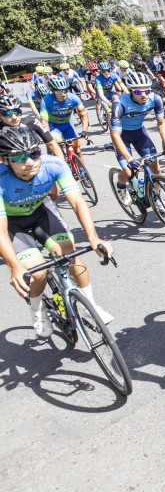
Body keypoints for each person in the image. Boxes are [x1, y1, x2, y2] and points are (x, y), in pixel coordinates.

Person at [0, 126, 115, 335]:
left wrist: (93, 237)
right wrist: (15, 266)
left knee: (71, 256)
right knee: (37, 272)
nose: (29, 162)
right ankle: (37, 311)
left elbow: (78, 202)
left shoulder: (53, 164)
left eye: (34, 154)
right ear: (5, 160)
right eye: (20, 157)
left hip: (40, 212)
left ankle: (91, 306)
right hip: (12, 224)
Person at [110, 72, 165, 209]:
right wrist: (129, 159)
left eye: (147, 90)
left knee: (155, 166)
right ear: (130, 90)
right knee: (128, 171)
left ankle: (156, 195)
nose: (144, 94)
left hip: (139, 133)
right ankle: (121, 187)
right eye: (139, 91)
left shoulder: (155, 99)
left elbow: (161, 124)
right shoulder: (120, 103)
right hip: (122, 136)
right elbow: (115, 135)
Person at [0, 95, 63, 160]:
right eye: (8, 113)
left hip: (33, 159)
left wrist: (63, 165)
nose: (14, 117)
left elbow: (51, 144)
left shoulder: (32, 121)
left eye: (17, 112)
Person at [40, 75, 89, 158]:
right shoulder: (46, 100)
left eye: (65, 90)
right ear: (53, 91)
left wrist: (84, 131)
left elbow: (84, 115)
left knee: (77, 150)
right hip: (53, 126)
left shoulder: (73, 98)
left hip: (67, 124)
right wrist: (47, 137)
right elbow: (44, 121)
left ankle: (82, 171)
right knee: (60, 144)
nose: (63, 94)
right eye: (59, 92)